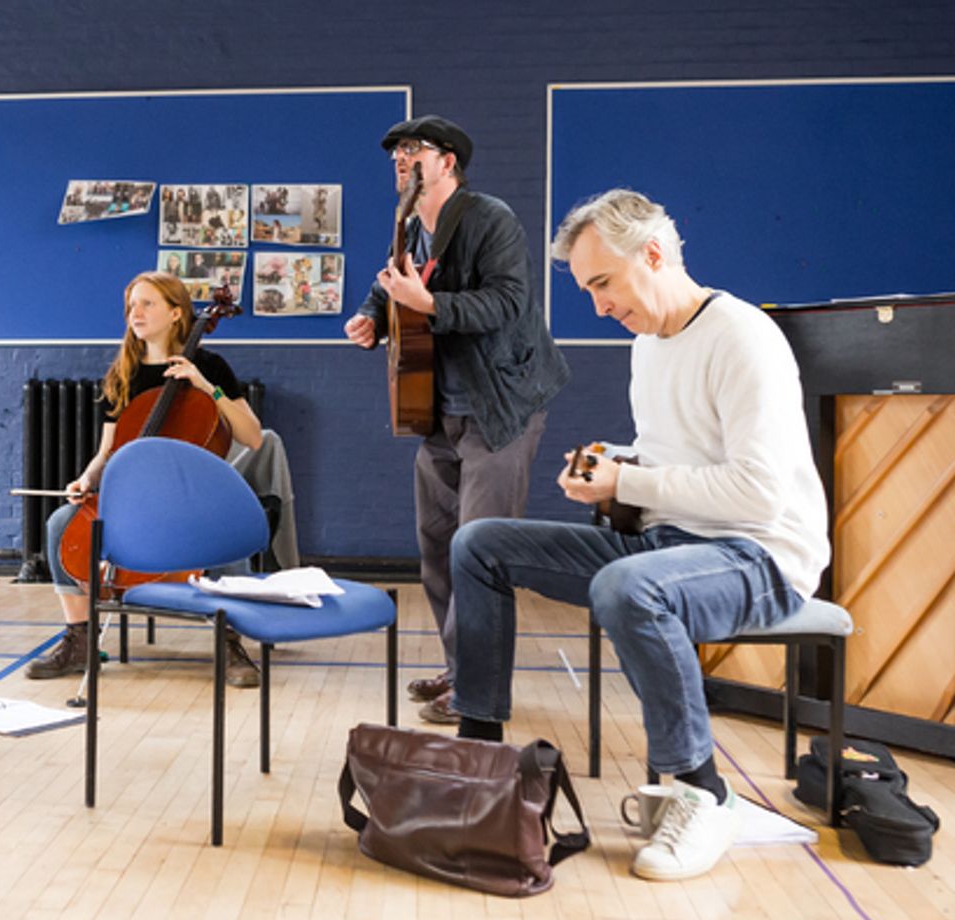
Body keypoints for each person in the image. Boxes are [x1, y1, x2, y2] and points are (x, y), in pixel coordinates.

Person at [450, 189, 830, 880]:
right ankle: (479, 761)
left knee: (626, 587)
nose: (599, 307)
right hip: (665, 545)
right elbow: (673, 460)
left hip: (758, 556)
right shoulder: (649, 345)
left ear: (653, 254)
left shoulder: (743, 337)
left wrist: (627, 481)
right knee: (478, 543)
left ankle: (704, 793)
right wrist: (616, 465)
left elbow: (757, 491)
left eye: (604, 283)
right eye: (589, 290)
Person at [344, 114, 570, 723]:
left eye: (413, 148)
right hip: (438, 413)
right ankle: (461, 668)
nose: (400, 157)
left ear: (448, 162)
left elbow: (507, 302)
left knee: (480, 551)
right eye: (395, 150)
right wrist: (370, 317)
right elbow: (387, 287)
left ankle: (480, 694)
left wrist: (430, 304)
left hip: (499, 409)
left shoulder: (489, 219)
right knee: (439, 549)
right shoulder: (409, 228)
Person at [26, 271, 266, 686]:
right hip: (133, 504)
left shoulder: (210, 367)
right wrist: (84, 481)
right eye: (131, 306)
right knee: (60, 523)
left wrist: (207, 388)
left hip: (192, 500)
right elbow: (109, 452)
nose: (135, 313)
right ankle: (80, 640)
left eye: (147, 304)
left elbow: (253, 437)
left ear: (176, 313)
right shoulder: (123, 374)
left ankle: (230, 642)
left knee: (226, 531)